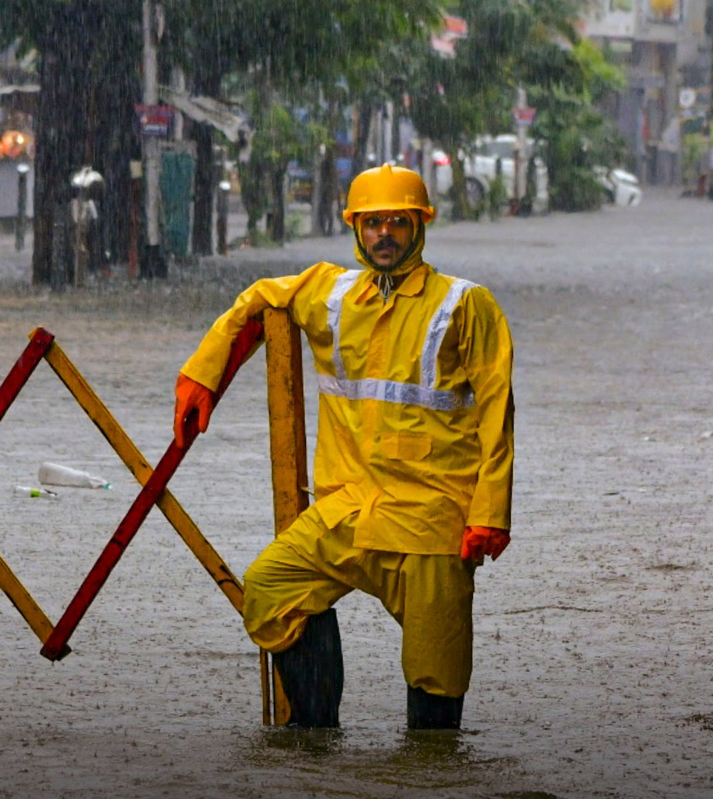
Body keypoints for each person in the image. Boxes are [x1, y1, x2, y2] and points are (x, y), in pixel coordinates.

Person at [173, 163, 514, 730]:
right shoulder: (330, 293)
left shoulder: (465, 304)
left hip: (430, 523)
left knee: (437, 669)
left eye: (398, 223)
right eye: (373, 223)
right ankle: (315, 743)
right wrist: (203, 374)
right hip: (346, 511)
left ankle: (430, 768)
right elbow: (256, 300)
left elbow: (497, 413)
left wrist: (490, 512)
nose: (385, 235)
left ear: (420, 225)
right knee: (272, 586)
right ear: (355, 227)